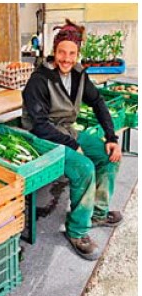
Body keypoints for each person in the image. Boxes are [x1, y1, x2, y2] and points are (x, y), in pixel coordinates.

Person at [22, 19, 122, 261]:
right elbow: (40, 126)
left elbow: (97, 102)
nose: (66, 58)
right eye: (62, 52)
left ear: (77, 54)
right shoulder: (39, 80)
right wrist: (73, 145)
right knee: (84, 167)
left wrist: (111, 137)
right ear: (54, 52)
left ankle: (97, 212)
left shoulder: (79, 74)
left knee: (109, 157)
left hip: (67, 131)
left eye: (72, 53)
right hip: (42, 138)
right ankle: (77, 231)